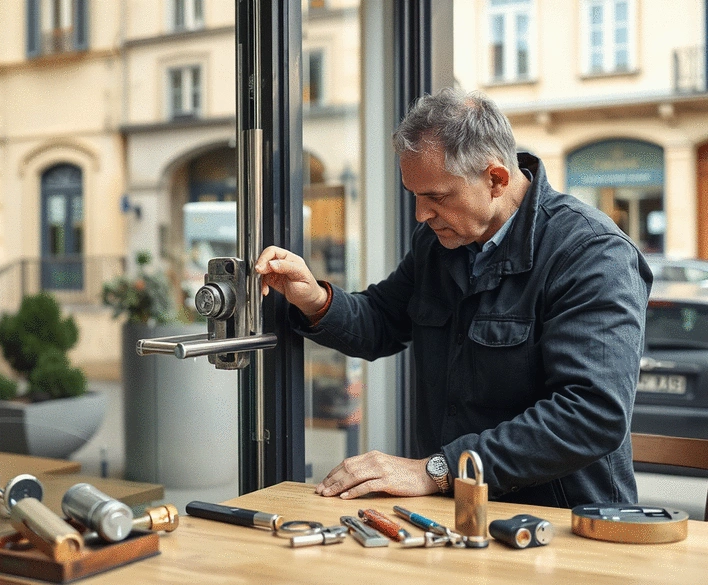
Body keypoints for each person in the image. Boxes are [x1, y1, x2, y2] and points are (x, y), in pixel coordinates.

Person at [254, 87, 652, 509]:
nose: (421, 215)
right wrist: (314, 298)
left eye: (437, 197)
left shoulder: (592, 253)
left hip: (564, 522)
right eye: (415, 196)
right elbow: (383, 320)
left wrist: (436, 469)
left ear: (495, 179)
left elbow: (592, 415)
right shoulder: (439, 242)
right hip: (455, 512)